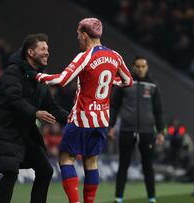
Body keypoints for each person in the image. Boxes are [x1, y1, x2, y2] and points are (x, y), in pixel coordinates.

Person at [36, 18, 133, 203]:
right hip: (102, 120)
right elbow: (128, 81)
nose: (78, 38)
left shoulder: (85, 56)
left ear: (85, 35)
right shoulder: (115, 56)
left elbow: (61, 80)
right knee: (91, 161)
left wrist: (37, 77)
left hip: (82, 118)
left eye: (78, 34)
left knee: (65, 157)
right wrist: (111, 81)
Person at [0, 33, 69, 203]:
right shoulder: (13, 72)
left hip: (25, 133)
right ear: (30, 52)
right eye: (43, 49)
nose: (47, 52)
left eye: (48, 49)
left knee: (46, 171)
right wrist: (35, 113)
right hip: (6, 130)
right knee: (10, 172)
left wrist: (76, 120)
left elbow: (52, 107)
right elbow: (13, 98)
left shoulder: (40, 80)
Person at [108, 56, 165, 203]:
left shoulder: (153, 85)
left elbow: (158, 111)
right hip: (127, 130)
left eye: (143, 66)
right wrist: (111, 126)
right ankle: (118, 198)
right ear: (133, 67)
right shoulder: (124, 82)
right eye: (138, 66)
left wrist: (160, 132)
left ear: (147, 67)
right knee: (123, 165)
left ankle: (152, 198)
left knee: (148, 166)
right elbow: (114, 106)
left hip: (147, 132)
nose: (140, 69)